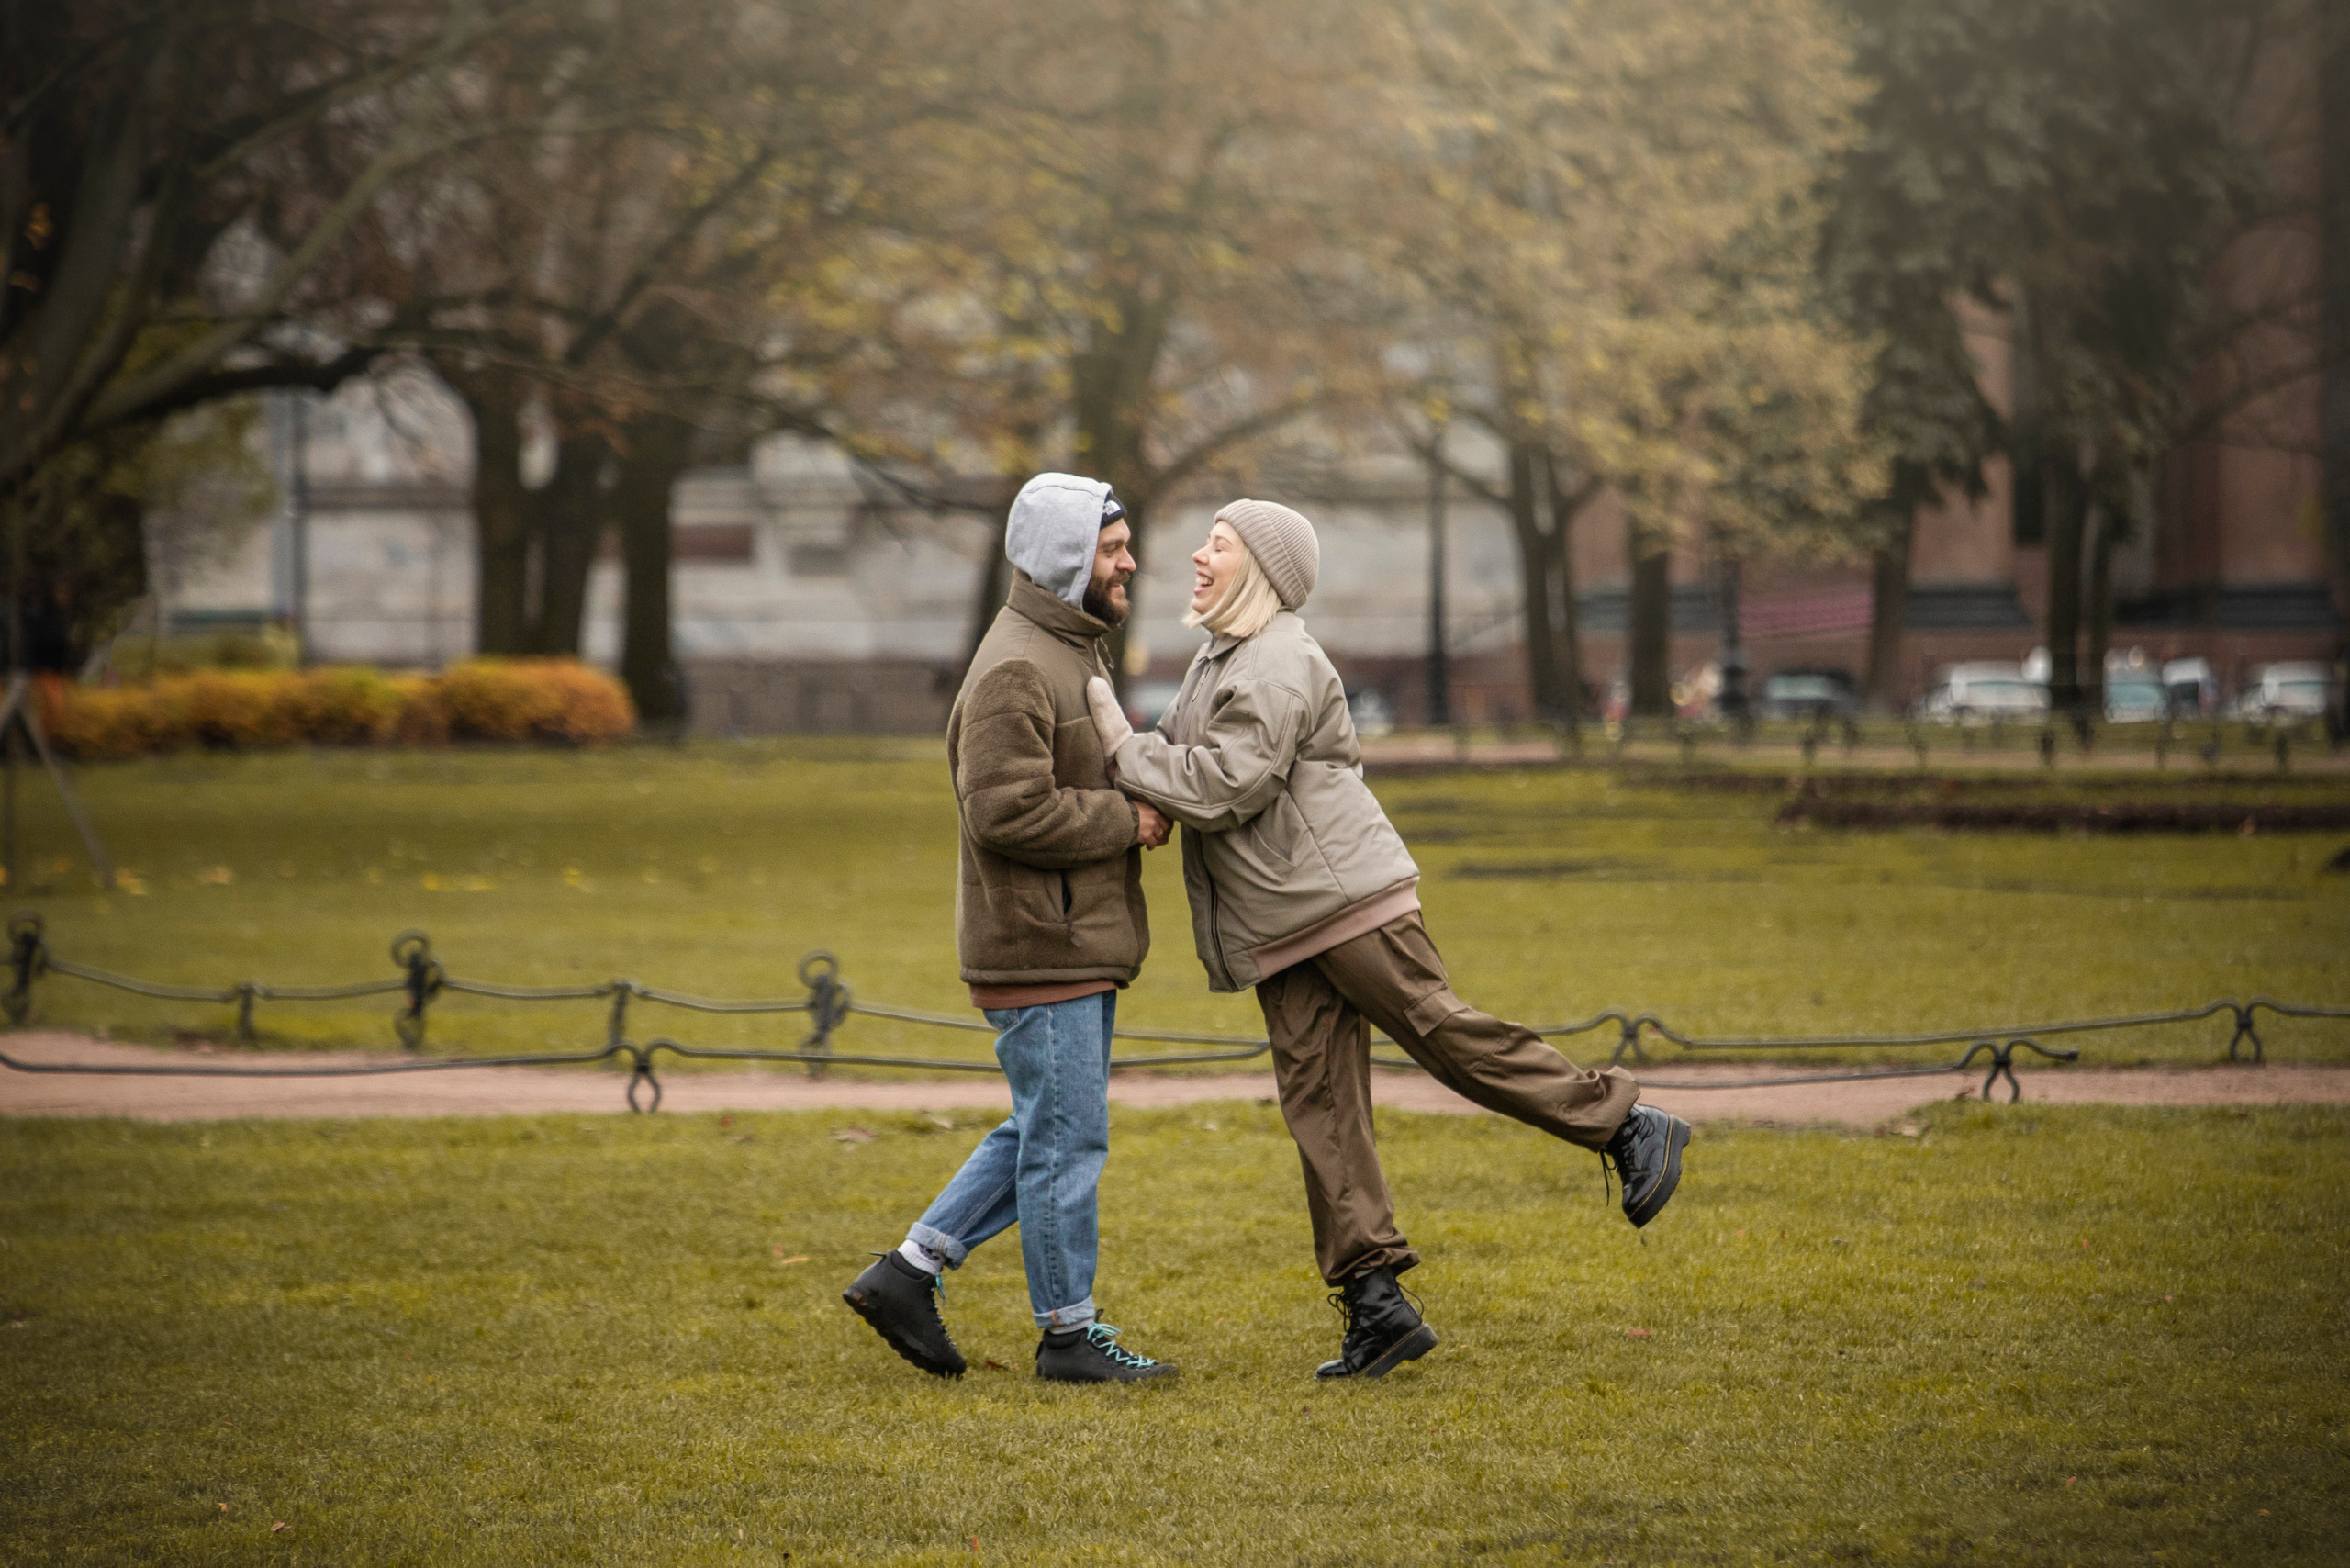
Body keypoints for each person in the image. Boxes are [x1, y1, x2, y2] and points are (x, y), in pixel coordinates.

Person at [1084, 499, 1689, 1382]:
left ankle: (1627, 1124)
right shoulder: (1223, 657)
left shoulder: (1280, 659)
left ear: (1260, 567)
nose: (1197, 558)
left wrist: (1117, 744)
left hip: (1343, 901)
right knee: (1320, 1108)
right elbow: (1180, 756)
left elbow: (1223, 787)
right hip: (1280, 920)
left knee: (1443, 1036)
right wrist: (1132, 749)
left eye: (1217, 546)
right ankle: (1376, 1304)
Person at [843, 472, 1178, 1385]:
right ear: (1069, 556)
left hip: (1063, 941)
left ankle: (907, 1272)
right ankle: (1068, 1335)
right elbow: (1003, 811)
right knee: (1066, 1138)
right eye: (1113, 547)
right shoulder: (1018, 665)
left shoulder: (1064, 648)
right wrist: (1129, 820)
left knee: (1044, 1124)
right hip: (1041, 944)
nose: (1130, 562)